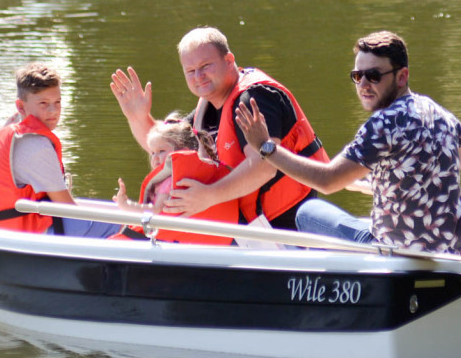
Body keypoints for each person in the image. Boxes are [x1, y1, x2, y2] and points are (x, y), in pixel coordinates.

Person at [234, 31, 461, 255]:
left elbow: (328, 181)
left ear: (402, 76)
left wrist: (266, 147)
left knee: (308, 211)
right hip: (447, 256)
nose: (363, 84)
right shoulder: (440, 116)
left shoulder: (383, 125)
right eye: (357, 76)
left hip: (394, 256)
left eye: (373, 76)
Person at [110, 27, 329, 230]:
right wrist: (138, 117)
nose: (198, 76)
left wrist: (208, 196)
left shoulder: (255, 98)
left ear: (229, 60)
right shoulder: (207, 109)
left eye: (205, 66)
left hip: (280, 231)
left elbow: (264, 167)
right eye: (191, 71)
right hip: (243, 229)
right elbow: (164, 152)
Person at [0, 62, 122, 238]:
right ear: (21, 106)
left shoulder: (11, 126)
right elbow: (67, 208)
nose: (53, 111)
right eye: (43, 103)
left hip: (2, 228)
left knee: (114, 216)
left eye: (57, 102)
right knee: (124, 224)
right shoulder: (34, 144)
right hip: (28, 234)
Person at [111, 115, 237, 245]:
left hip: (168, 243)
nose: (155, 157)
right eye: (152, 153)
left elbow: (154, 211)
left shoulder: (169, 182)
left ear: (184, 152)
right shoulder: (188, 176)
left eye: (161, 151)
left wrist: (125, 205)